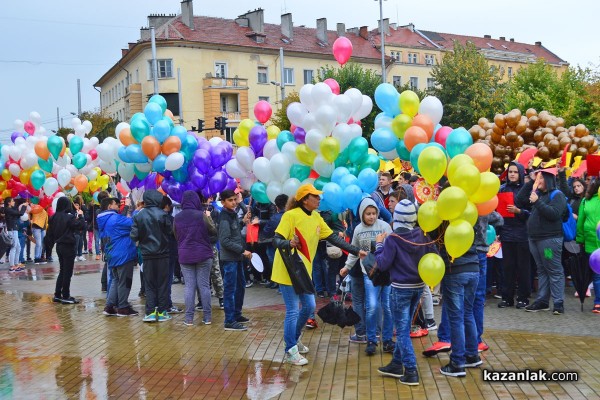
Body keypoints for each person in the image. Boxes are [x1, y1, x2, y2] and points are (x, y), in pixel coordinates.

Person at [272, 184, 365, 366]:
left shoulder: (316, 217)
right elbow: (276, 239)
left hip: (303, 271)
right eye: (316, 196)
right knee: (292, 310)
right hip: (287, 269)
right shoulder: (290, 216)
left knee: (308, 306)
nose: (319, 199)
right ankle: (290, 349)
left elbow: (334, 238)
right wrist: (289, 243)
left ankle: (294, 338)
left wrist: (356, 250)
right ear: (305, 199)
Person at [375, 200, 438, 386]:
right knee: (405, 326)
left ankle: (411, 371)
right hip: (418, 287)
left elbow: (382, 264)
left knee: (402, 332)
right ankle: (396, 364)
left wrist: (379, 245)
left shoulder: (393, 239)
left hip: (400, 289)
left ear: (396, 219)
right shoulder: (422, 234)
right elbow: (432, 255)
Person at [340, 197, 394, 356]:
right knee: (371, 306)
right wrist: (346, 267)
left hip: (386, 273)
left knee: (387, 307)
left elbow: (393, 249)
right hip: (369, 274)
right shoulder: (357, 229)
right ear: (362, 214)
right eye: (368, 213)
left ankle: (388, 340)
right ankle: (371, 340)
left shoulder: (384, 226)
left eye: (374, 213)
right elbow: (354, 251)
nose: (371, 216)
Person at [516, 168, 567, 314]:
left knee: (553, 269)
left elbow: (554, 214)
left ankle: (558, 303)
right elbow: (519, 200)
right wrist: (531, 181)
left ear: (549, 180)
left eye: (541, 178)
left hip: (549, 242)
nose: (538, 181)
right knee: (542, 269)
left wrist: (537, 202)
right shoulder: (538, 194)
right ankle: (542, 301)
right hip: (535, 240)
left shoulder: (557, 195)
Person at [174, 191, 218, 326]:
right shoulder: (201, 215)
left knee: (189, 287)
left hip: (185, 255)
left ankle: (188, 319)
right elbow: (213, 231)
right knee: (204, 286)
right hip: (203, 254)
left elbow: (176, 235)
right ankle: (207, 317)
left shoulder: (177, 217)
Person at [131, 190, 173, 322]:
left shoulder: (139, 216)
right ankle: (162, 312)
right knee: (162, 283)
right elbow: (170, 232)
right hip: (163, 254)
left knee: (149, 284)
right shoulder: (163, 215)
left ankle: (149, 312)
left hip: (147, 255)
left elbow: (134, 236)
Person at [498, 162, 531, 309]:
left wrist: (519, 211)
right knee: (507, 268)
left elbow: (532, 213)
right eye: (510, 172)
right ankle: (507, 298)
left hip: (522, 233)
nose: (512, 174)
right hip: (506, 233)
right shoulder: (502, 189)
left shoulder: (526, 190)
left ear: (521, 173)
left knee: (523, 268)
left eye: (515, 172)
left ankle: (523, 298)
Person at [97, 197, 139, 317]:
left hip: (112, 254)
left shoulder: (103, 219)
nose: (118, 206)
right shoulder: (115, 219)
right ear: (110, 206)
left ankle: (110, 306)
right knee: (124, 281)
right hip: (123, 254)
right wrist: (137, 211)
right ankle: (123, 307)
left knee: (115, 280)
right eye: (116, 204)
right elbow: (132, 223)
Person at [218, 189, 252, 331]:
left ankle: (237, 314)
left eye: (234, 199)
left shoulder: (231, 215)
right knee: (230, 289)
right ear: (223, 202)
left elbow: (234, 231)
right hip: (230, 259)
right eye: (230, 200)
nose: (233, 202)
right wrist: (242, 250)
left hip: (237, 258)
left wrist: (242, 222)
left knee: (240, 286)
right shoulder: (224, 217)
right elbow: (225, 241)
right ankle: (229, 320)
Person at [46, 197, 87, 304]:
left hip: (59, 246)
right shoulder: (69, 217)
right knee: (67, 272)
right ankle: (66, 295)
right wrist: (81, 216)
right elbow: (81, 226)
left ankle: (57, 294)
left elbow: (49, 234)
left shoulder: (53, 217)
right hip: (68, 246)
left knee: (62, 270)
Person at [575, 179, 600, 313]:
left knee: (597, 274)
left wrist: (580, 240)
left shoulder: (585, 201)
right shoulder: (585, 201)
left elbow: (580, 222)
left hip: (590, 243)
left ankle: (598, 303)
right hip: (592, 241)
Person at [262, 194, 289, 291]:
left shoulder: (274, 218)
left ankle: (278, 284)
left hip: (273, 244)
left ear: (276, 206)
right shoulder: (292, 216)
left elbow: (266, 231)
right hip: (288, 244)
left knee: (274, 263)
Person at [5, 197, 27, 272]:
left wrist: (23, 205)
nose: (14, 202)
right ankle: (12, 266)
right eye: (12, 201)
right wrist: (24, 206)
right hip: (12, 229)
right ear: (9, 203)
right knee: (14, 247)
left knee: (18, 247)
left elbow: (17, 214)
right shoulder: (8, 209)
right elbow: (20, 213)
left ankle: (16, 264)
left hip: (14, 229)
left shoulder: (11, 209)